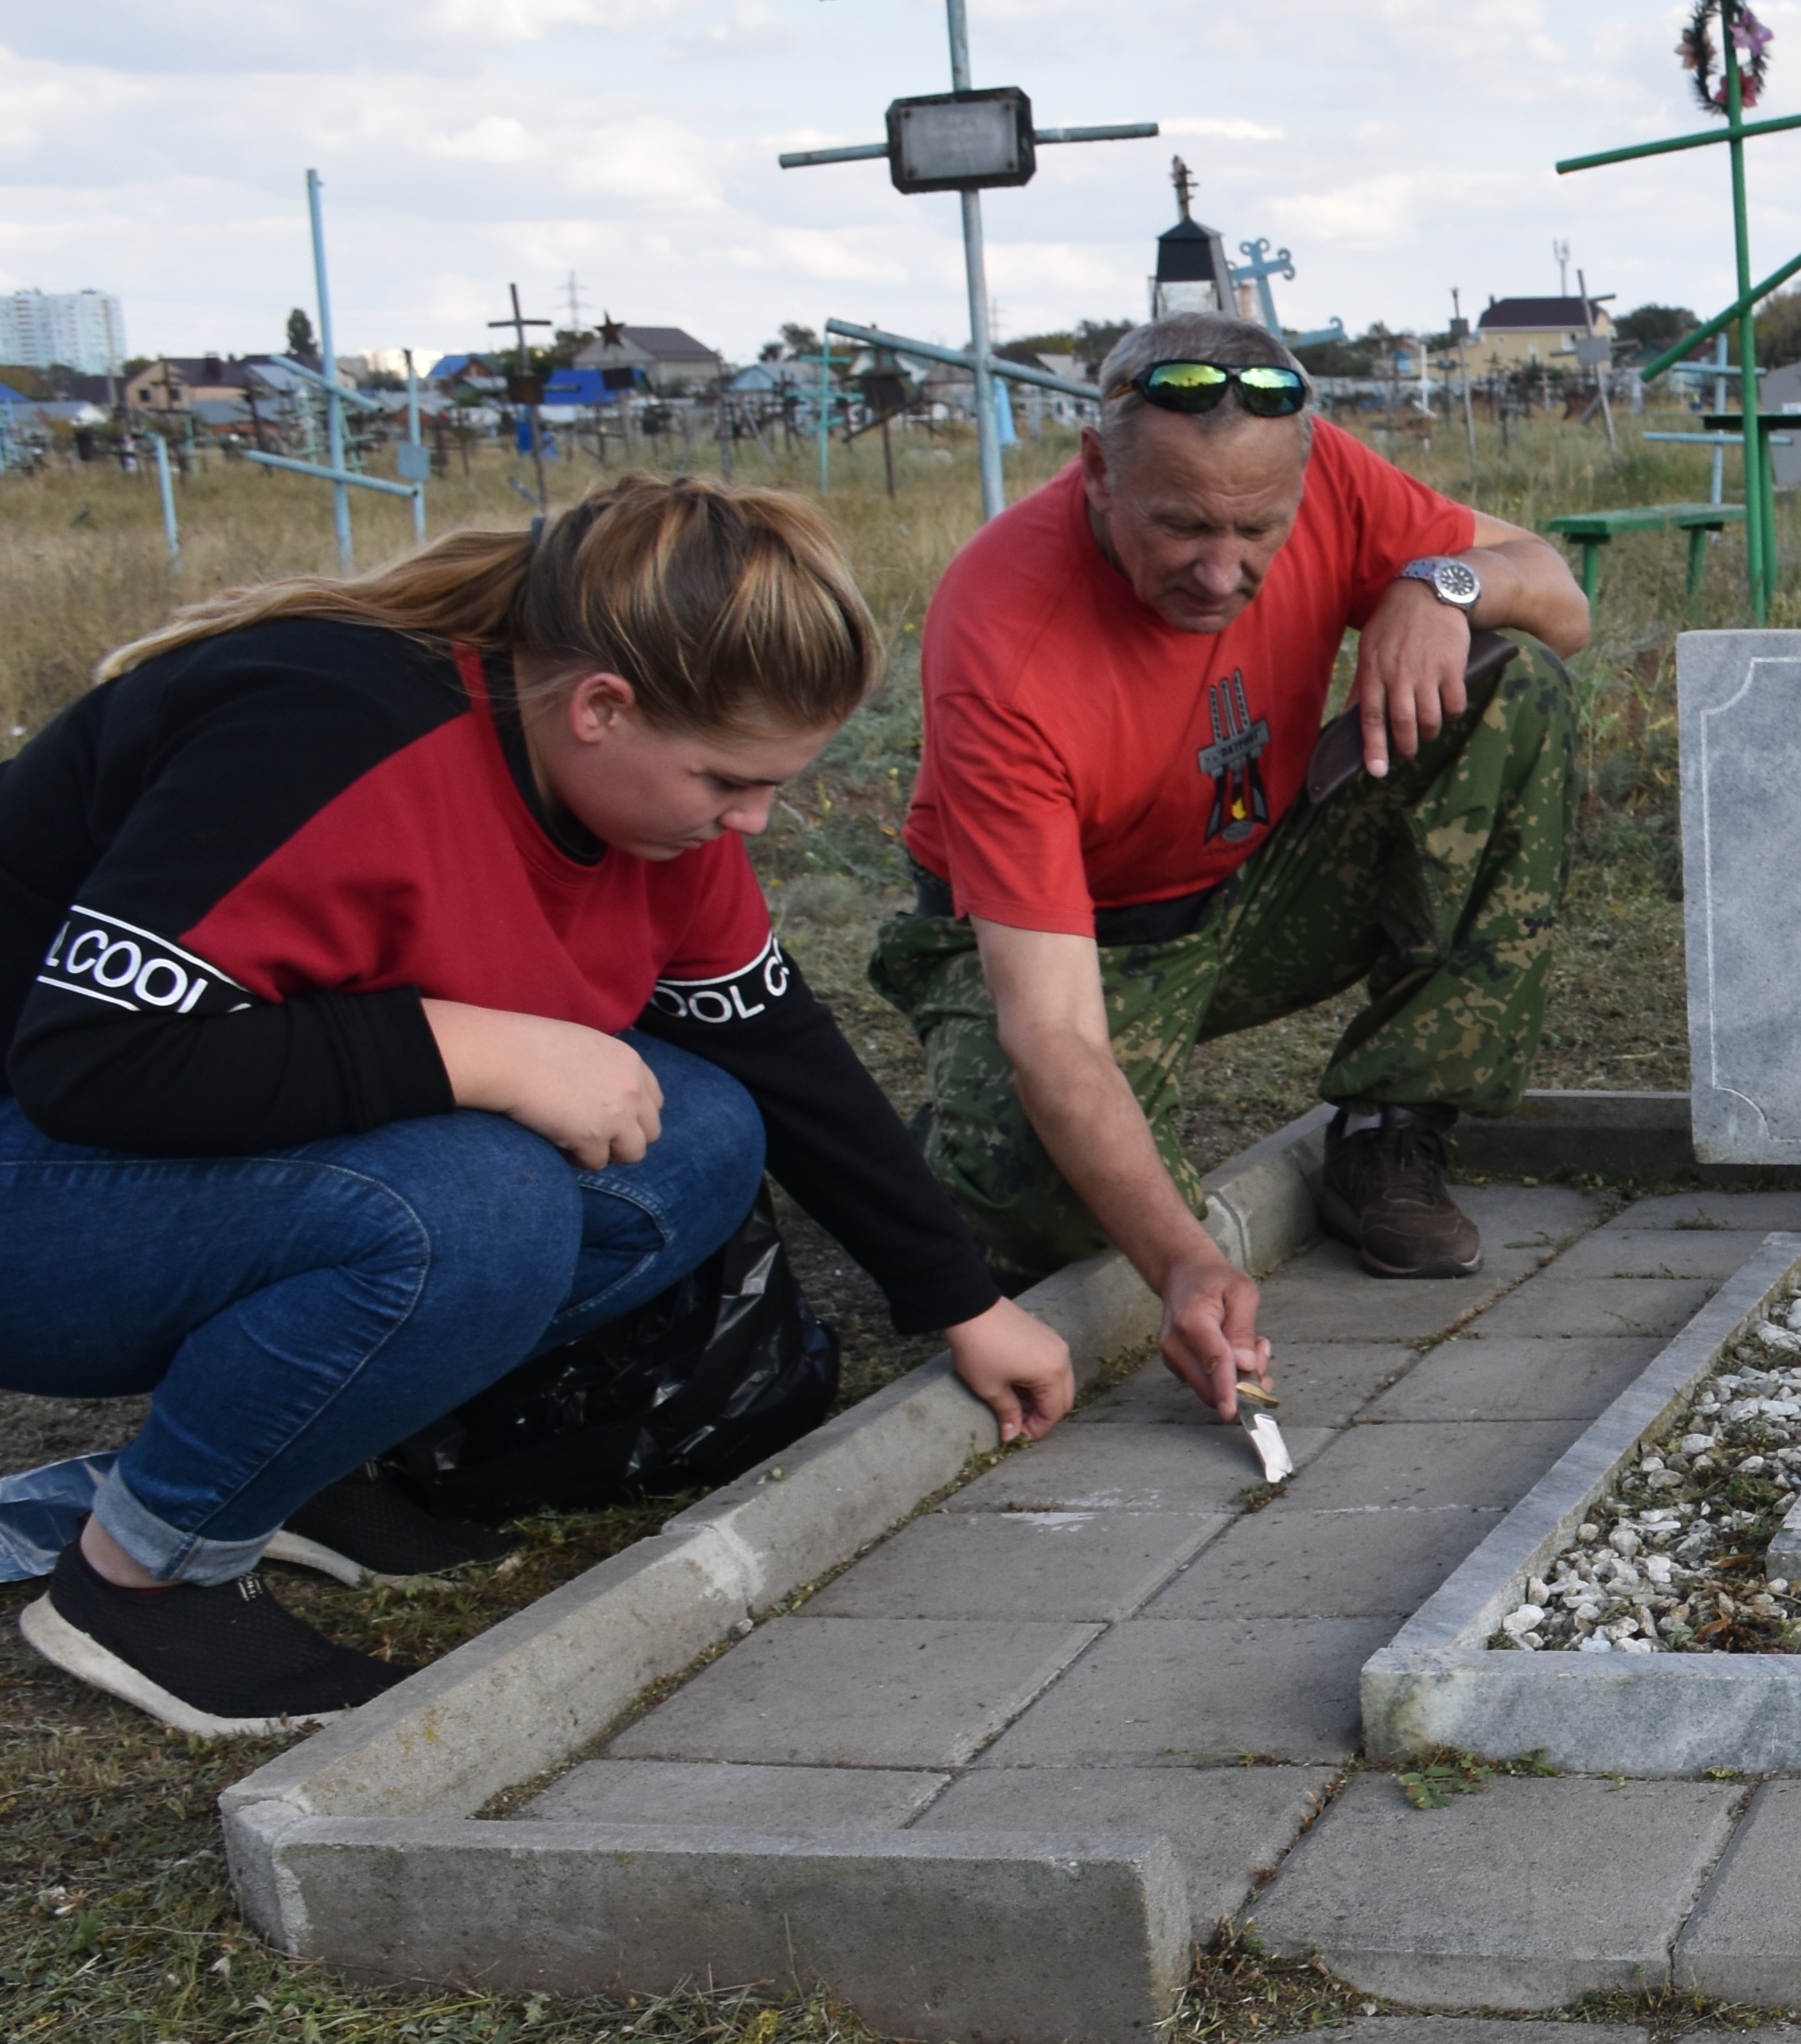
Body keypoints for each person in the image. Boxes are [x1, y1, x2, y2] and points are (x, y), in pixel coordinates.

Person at [1, 481, 1078, 1738]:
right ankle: (142, 1577)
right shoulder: (322, 734)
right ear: (601, 708)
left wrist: (963, 1300)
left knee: (702, 1134)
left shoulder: (645, 805)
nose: (756, 821)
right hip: (42, 1161)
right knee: (474, 1206)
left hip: (139, 1142)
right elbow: (93, 1059)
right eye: (729, 779)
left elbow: (779, 1051)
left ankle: (298, 1464)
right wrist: (468, 1047)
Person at [872, 313, 1592, 1429]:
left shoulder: (1329, 476)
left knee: (1520, 685)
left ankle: (1393, 1134)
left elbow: (1560, 597)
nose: (1221, 572)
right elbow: (1057, 1033)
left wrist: (1440, 585)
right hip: (1075, 948)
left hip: (1251, 891)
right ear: (1098, 472)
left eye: (1258, 528)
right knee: (1057, 1212)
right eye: (1182, 527)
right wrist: (1185, 1264)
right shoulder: (1002, 638)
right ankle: (967, 1135)